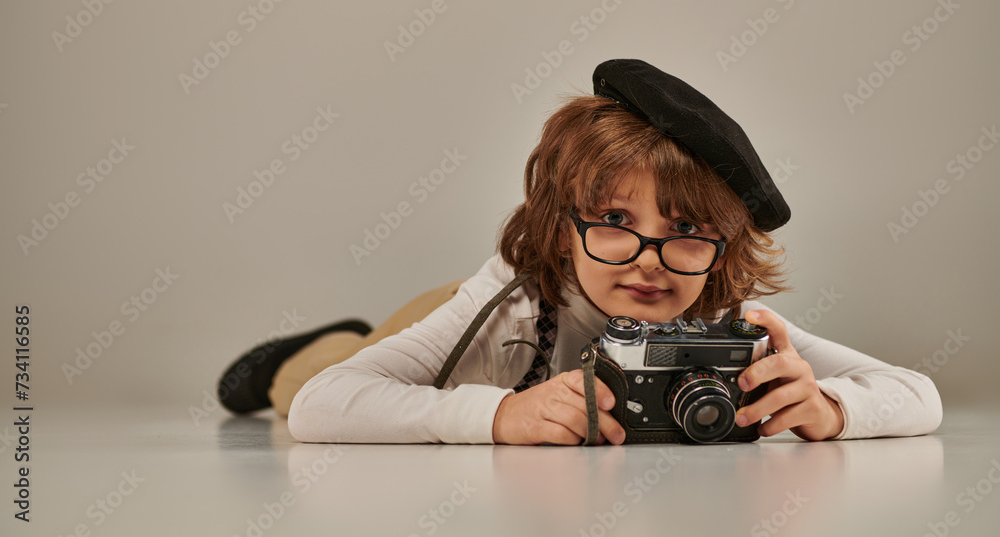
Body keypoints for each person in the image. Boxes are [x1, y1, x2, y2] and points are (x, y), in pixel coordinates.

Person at [218, 59, 942, 445]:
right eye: (614, 219)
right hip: (457, 329)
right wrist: (499, 416)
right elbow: (326, 406)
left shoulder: (721, 318)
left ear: (721, 250)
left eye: (687, 229)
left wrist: (828, 406)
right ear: (563, 225)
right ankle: (320, 340)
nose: (651, 258)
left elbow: (919, 394)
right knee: (305, 383)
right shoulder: (502, 306)